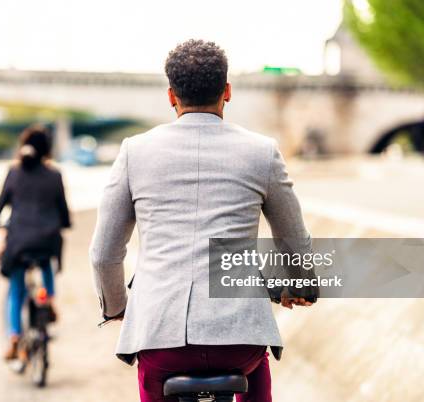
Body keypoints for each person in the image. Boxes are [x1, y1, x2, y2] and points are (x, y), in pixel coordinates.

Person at [89, 39, 315, 402]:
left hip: (161, 338)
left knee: (152, 377)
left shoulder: (135, 152)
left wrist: (117, 307)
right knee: (256, 371)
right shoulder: (262, 152)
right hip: (239, 340)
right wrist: (302, 286)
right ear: (227, 91)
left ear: (170, 96)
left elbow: (103, 253)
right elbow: (293, 241)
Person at [0, 124, 71, 360]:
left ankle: (14, 337)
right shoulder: (55, 176)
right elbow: (64, 213)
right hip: (47, 240)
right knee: (47, 262)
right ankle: (49, 298)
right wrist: (64, 223)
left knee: (15, 289)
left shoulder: (13, 173)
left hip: (19, 242)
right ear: (47, 150)